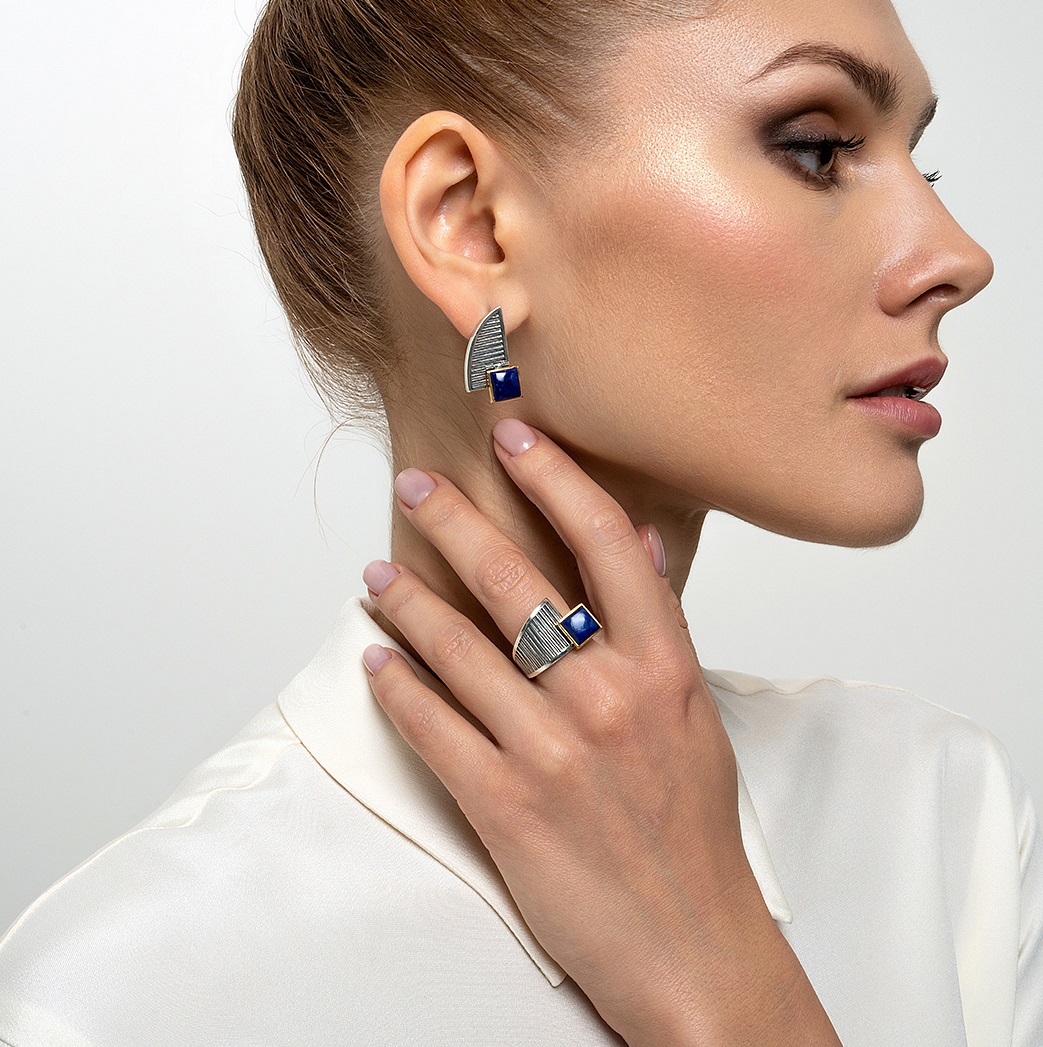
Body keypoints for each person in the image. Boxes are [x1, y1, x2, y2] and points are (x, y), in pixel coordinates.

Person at [0, 0, 1039, 1043]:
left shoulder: (944, 823)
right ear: (471, 225)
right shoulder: (130, 989)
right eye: (816, 150)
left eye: (922, 164)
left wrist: (717, 976)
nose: (957, 256)